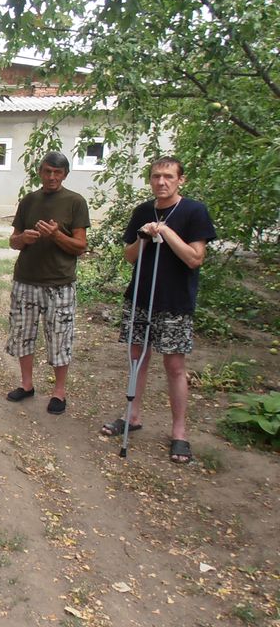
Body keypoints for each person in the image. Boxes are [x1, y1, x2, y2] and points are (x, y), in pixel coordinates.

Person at [100, 157, 215, 464]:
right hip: (140, 297)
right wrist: (144, 237)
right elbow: (129, 256)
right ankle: (132, 416)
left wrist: (165, 231)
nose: (161, 182)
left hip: (175, 301)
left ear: (180, 180)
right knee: (137, 358)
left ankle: (179, 433)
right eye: (156, 176)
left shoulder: (194, 211)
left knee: (175, 366)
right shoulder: (142, 211)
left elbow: (195, 258)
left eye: (168, 176)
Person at [5, 151, 89, 414]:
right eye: (47, 171)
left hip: (60, 283)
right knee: (22, 334)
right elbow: (13, 240)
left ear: (65, 174)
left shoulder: (75, 202)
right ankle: (26, 385)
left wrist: (56, 235)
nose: (52, 177)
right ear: (40, 172)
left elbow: (80, 246)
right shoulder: (29, 200)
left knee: (59, 338)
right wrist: (23, 239)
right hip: (26, 280)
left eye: (57, 172)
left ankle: (59, 392)